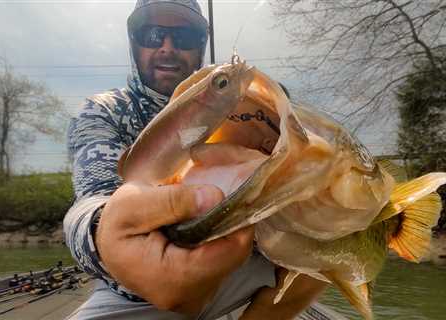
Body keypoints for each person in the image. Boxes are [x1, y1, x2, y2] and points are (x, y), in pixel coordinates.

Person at [64, 1, 326, 319]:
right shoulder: (102, 111)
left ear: (201, 44)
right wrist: (103, 237)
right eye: (153, 34)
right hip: (132, 295)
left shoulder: (256, 102)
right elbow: (90, 201)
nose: (167, 47)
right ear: (133, 40)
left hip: (251, 278)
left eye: (185, 37)